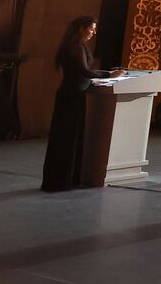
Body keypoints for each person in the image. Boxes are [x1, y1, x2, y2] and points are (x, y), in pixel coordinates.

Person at [41, 15, 122, 192]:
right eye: (91, 29)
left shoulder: (76, 45)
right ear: (81, 28)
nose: (93, 32)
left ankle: (66, 180)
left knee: (70, 138)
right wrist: (108, 75)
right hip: (70, 97)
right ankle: (59, 182)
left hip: (74, 95)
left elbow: (84, 70)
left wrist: (106, 73)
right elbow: (84, 71)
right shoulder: (74, 46)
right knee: (65, 139)